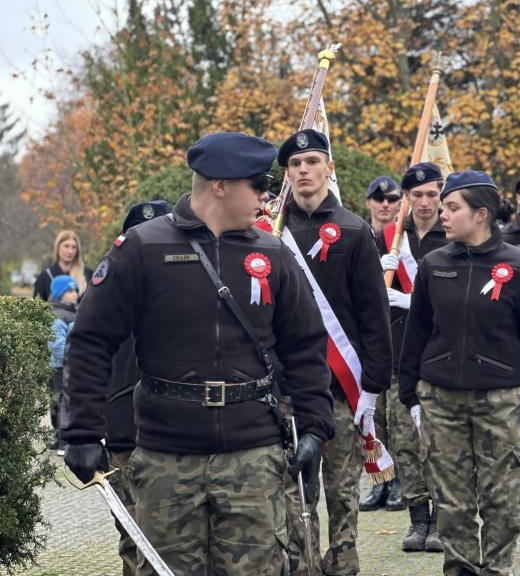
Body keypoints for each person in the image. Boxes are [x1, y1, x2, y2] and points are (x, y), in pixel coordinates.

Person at [61, 131, 335, 575]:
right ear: (220, 185)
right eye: (257, 185)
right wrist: (82, 432)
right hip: (168, 457)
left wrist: (315, 427)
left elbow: (304, 347)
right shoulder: (142, 249)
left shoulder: (272, 253)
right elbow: (91, 341)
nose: (267, 196)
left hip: (253, 454)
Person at [399, 170, 520, 576]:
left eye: (452, 208)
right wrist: (410, 394)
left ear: (481, 214)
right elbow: (417, 332)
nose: (442, 215)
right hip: (441, 399)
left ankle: (496, 569)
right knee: (452, 502)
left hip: (501, 402)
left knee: (502, 501)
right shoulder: (433, 264)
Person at [278, 129, 393, 576]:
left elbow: (373, 315)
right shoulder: (272, 229)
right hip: (286, 385)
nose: (304, 170)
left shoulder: (353, 230)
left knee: (342, 489)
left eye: (312, 161)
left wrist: (373, 387)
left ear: (329, 168)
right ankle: (300, 563)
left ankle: (343, 562)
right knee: (290, 486)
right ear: (287, 175)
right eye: (295, 164)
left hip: (340, 388)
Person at [376, 162, 449, 552]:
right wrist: (377, 274)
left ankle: (441, 520)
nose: (424, 202)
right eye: (416, 195)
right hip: (396, 357)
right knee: (404, 445)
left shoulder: (451, 235)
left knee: (436, 444)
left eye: (431, 195)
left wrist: (411, 299)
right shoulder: (388, 239)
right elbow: (364, 298)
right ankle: (417, 518)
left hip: (437, 357)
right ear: (406, 198)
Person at [103, 200, 172, 576]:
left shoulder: (194, 287)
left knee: (173, 539)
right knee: (132, 537)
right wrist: (86, 433)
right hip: (122, 432)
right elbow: (87, 364)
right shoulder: (105, 290)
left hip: (176, 434)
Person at [360, 173, 404, 514]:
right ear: (369, 202)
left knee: (400, 423)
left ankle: (401, 483)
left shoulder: (403, 240)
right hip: (367, 343)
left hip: (400, 341)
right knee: (374, 424)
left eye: (392, 200)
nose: (386, 205)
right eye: (380, 199)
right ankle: (380, 482)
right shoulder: (359, 236)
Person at [47, 274, 79, 455]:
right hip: (60, 367)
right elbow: (57, 344)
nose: (74, 293)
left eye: (75, 289)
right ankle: (62, 441)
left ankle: (60, 437)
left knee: (63, 401)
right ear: (59, 293)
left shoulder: (74, 311)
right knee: (61, 402)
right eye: (69, 290)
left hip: (69, 365)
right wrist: (73, 358)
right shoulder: (58, 315)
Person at [33, 230, 93, 301]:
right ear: (57, 247)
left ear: (77, 250)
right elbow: (37, 308)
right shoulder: (45, 276)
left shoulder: (88, 274)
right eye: (66, 246)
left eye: (74, 247)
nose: (70, 251)